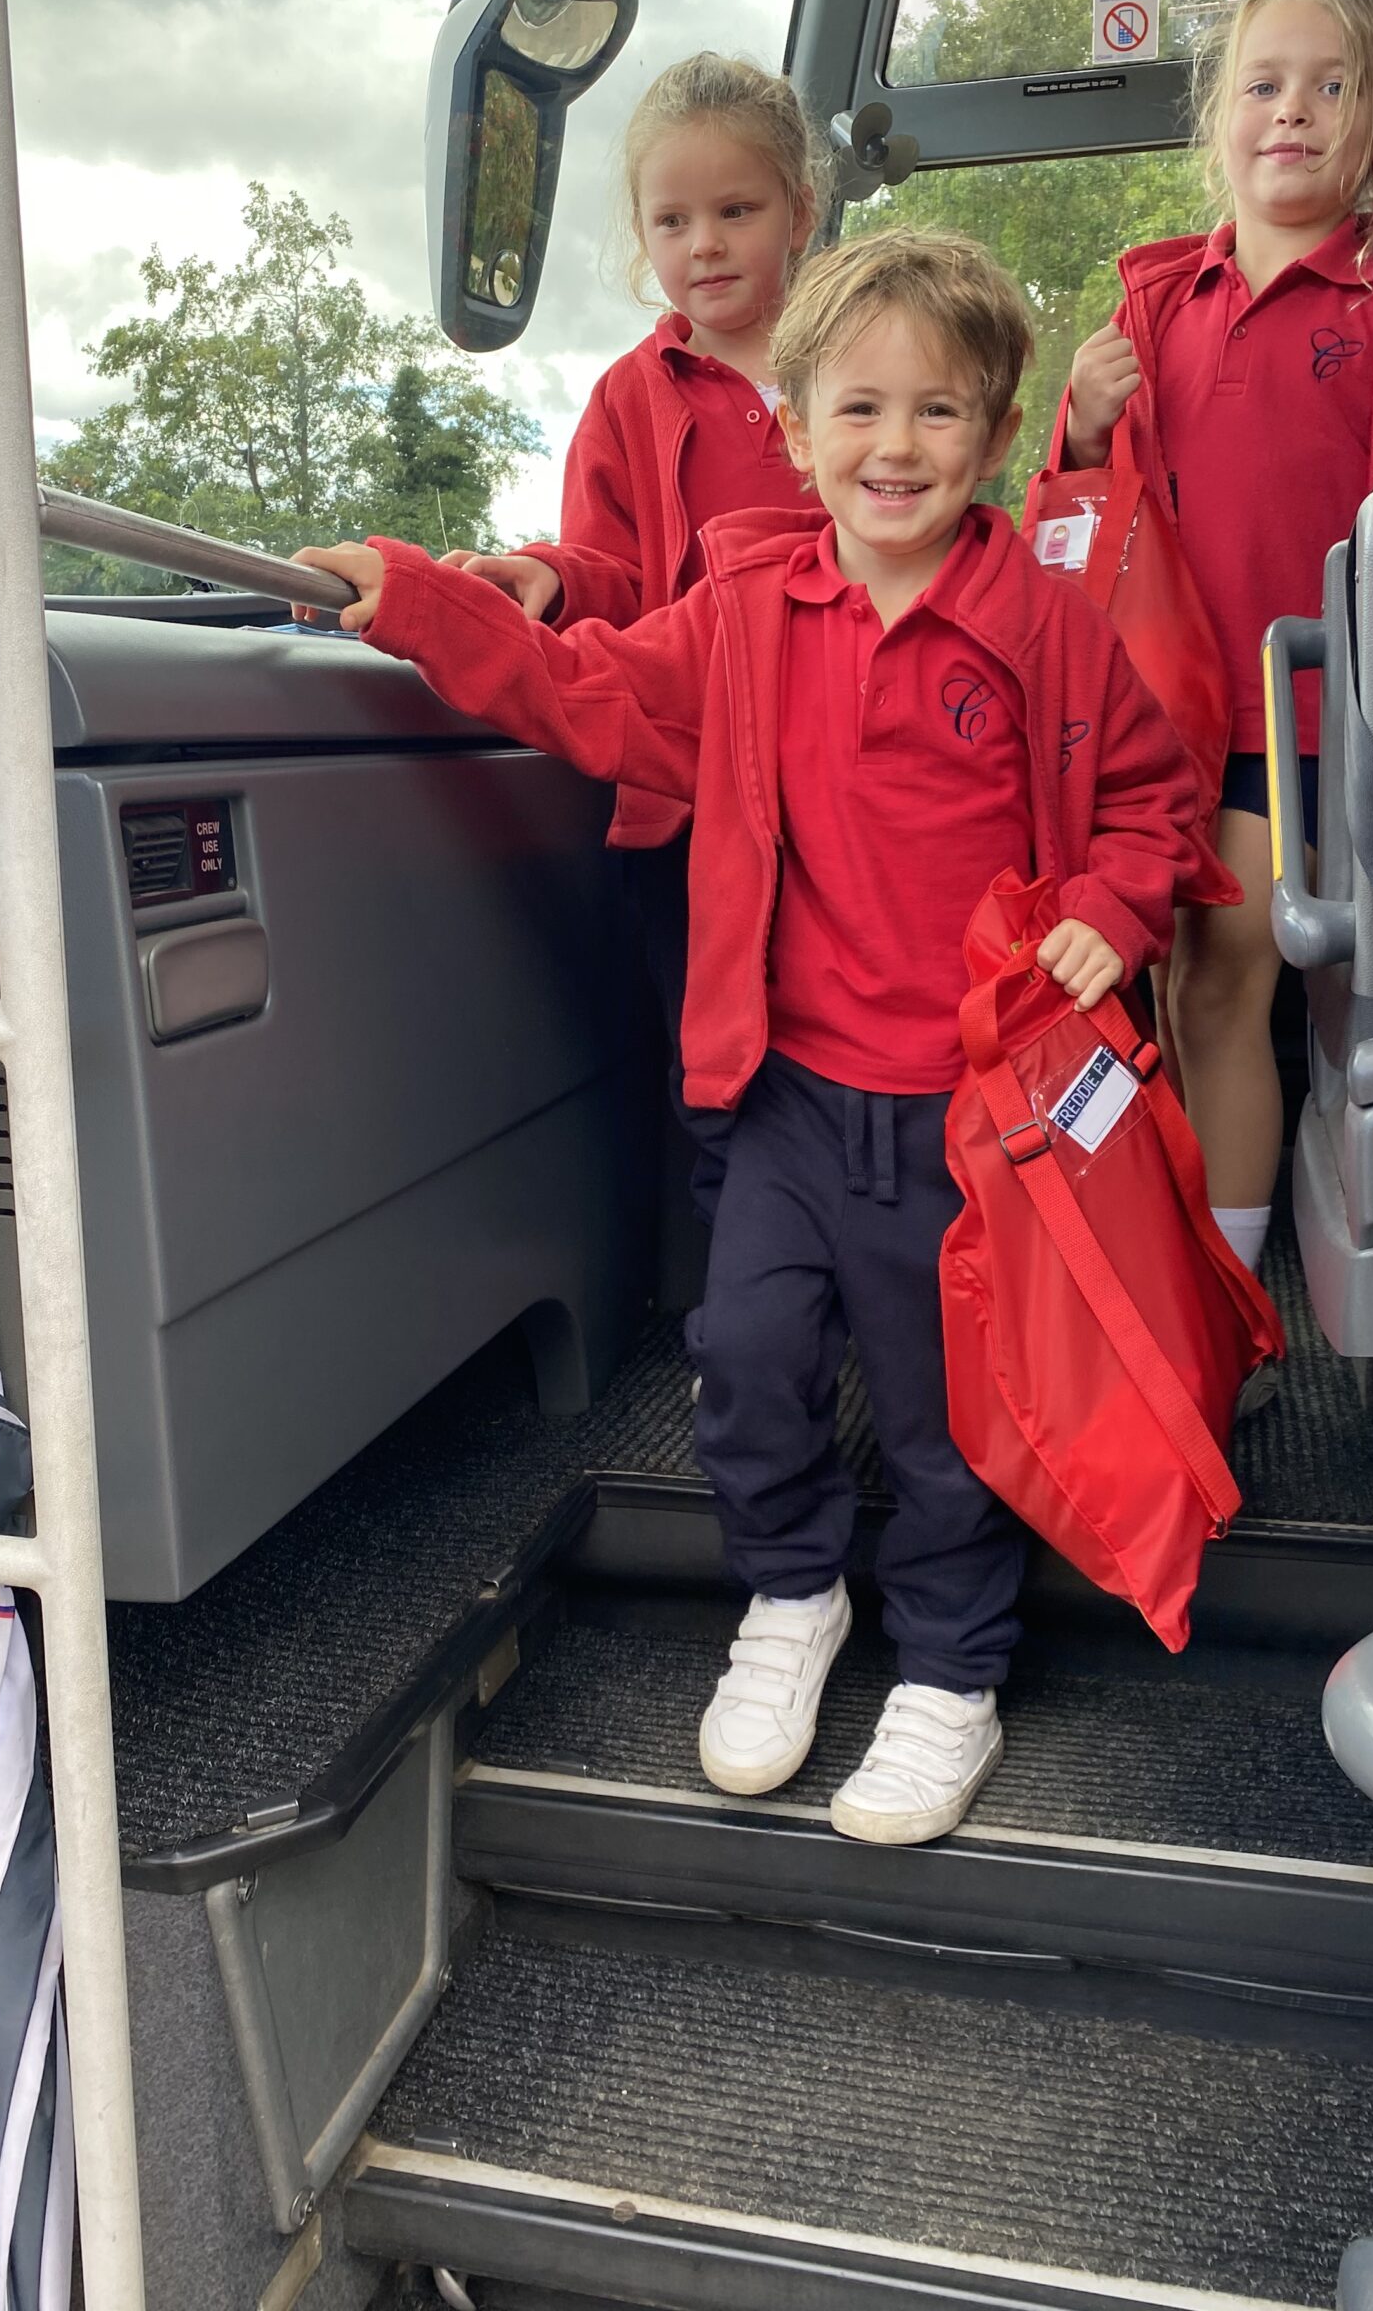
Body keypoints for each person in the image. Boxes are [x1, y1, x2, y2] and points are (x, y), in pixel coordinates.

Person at [296, 227, 1200, 1845]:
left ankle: (950, 1674)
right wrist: (426, 600)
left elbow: (1153, 799)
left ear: (997, 437)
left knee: (946, 1417)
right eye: (858, 410)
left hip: (972, 1118)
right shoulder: (746, 614)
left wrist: (1118, 911)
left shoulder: (1042, 628)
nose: (896, 447)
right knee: (753, 1361)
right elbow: (581, 690)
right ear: (795, 432)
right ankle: (794, 1595)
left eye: (939, 414)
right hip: (783, 1094)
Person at [1049, 0, 1373, 1275]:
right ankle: (1225, 1298)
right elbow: (1076, 536)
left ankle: (1293, 1274)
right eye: (1264, 82)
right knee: (1210, 988)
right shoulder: (1155, 309)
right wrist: (1080, 431)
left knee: (1353, 1015)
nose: (1293, 109)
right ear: (1221, 118)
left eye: (1332, 85)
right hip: (1212, 732)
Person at [438, 52, 829, 1221]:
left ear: (799, 214)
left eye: (735, 211)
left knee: (859, 1044)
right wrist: (548, 580)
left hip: (845, 775)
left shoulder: (854, 366)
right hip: (693, 794)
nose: (703, 243)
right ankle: (759, 1312)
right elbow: (617, 568)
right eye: (673, 219)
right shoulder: (629, 398)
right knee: (717, 1057)